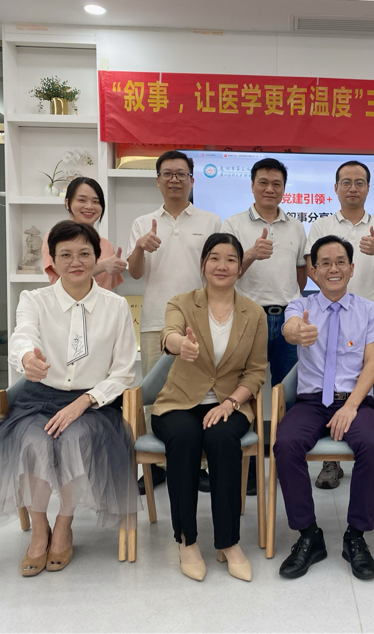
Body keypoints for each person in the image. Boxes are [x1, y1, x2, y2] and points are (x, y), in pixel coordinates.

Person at [0, 220, 139, 576]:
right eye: (65, 254)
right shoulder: (34, 300)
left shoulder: (116, 306)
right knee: (34, 442)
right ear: (52, 260)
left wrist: (84, 402)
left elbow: (123, 372)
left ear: (96, 257)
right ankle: (40, 528)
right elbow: (22, 335)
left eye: (84, 253)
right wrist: (27, 357)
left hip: (92, 404)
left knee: (73, 439)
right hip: (38, 400)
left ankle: (64, 526)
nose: (76, 262)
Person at [151, 233, 267, 582]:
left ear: (240, 267)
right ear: (203, 265)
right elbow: (168, 334)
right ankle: (186, 539)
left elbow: (256, 371)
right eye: (214, 258)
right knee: (184, 438)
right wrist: (179, 345)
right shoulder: (182, 302)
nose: (222, 265)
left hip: (230, 403)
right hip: (179, 403)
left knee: (222, 439)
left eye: (231, 259)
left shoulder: (254, 313)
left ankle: (228, 542)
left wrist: (231, 402)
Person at [275, 235, 374, 580]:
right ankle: (309, 534)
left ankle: (356, 536)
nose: (333, 269)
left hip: (355, 400)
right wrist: (298, 332)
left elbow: (372, 365)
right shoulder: (301, 306)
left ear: (352, 268)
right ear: (313, 271)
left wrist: (351, 407)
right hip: (311, 402)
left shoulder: (369, 311)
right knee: (285, 443)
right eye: (324, 263)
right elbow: (290, 329)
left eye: (340, 262)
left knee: (373, 443)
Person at [127, 151, 222, 493]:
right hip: (156, 320)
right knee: (156, 393)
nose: (174, 180)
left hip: (200, 322)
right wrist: (140, 248)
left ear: (192, 180)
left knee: (199, 391)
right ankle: (157, 466)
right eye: (167, 174)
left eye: (181, 174)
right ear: (157, 180)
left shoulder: (211, 221)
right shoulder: (143, 223)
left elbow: (219, 268)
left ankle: (199, 464)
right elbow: (135, 273)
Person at [305, 160, 374, 489]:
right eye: (346, 182)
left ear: (368, 188)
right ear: (336, 188)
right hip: (329, 316)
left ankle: (372, 456)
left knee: (367, 384)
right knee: (331, 386)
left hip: (367, 320)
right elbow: (312, 268)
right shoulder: (322, 224)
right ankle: (330, 462)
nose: (353, 188)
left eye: (360, 182)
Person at [221, 158, 307, 494]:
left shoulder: (296, 226)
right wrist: (250, 254)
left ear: (284, 188)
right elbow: (225, 273)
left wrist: (291, 302)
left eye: (276, 183)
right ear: (252, 185)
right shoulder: (233, 224)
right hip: (248, 316)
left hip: (288, 317)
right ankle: (250, 466)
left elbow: (300, 274)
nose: (270, 189)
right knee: (245, 389)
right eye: (263, 182)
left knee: (289, 392)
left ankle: (289, 460)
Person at [42, 176, 127, 291]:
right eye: (82, 200)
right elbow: (62, 276)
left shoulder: (107, 245)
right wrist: (103, 265)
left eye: (96, 201)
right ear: (67, 203)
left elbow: (107, 288)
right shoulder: (55, 238)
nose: (89, 206)